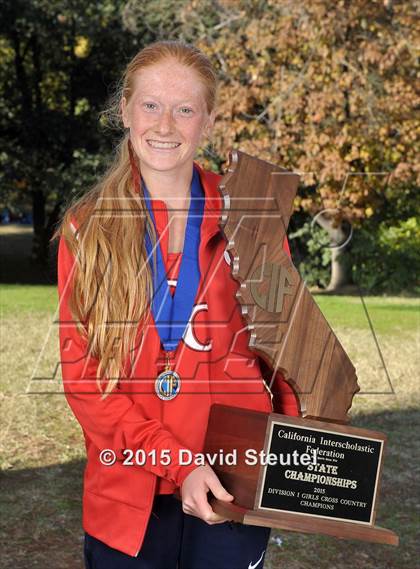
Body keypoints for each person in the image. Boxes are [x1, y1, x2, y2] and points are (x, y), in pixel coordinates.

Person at [54, 40, 299, 569]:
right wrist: (178, 463)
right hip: (130, 488)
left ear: (207, 121)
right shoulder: (87, 226)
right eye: (150, 105)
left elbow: (288, 354)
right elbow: (85, 381)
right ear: (125, 110)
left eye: (185, 109)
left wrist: (292, 451)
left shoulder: (252, 215)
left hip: (233, 482)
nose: (165, 125)